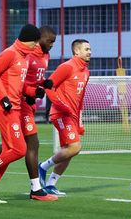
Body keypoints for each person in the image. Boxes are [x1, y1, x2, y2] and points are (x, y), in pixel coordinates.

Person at [0, 26, 58, 201]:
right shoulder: (10, 53)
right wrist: (3, 98)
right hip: (5, 108)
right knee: (19, 149)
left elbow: (19, 85)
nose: (36, 45)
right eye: (35, 42)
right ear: (28, 40)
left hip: (15, 107)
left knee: (8, 151)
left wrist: (32, 92)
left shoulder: (24, 56)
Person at [36, 39, 92, 196]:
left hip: (72, 116)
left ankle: (51, 184)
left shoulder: (86, 72)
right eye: (86, 49)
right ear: (76, 52)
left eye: (90, 49)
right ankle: (43, 166)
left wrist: (79, 122)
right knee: (75, 147)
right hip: (60, 114)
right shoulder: (67, 67)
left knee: (70, 150)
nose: (89, 52)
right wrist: (61, 105)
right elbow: (48, 87)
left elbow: (80, 100)